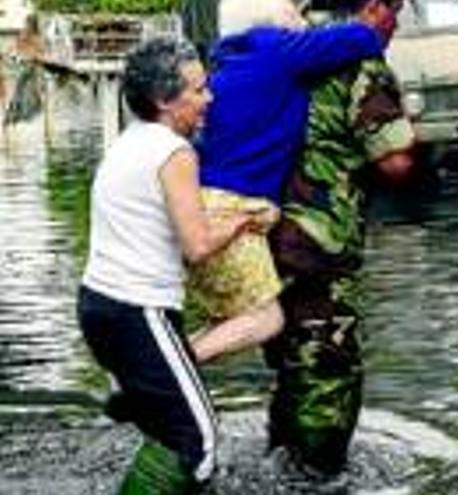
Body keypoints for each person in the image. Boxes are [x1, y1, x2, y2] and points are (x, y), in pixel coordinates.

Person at [77, 38, 269, 493]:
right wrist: (248, 220)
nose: (210, 99)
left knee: (169, 434)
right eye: (199, 90)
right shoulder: (174, 152)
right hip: (137, 313)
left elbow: (170, 225)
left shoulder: (131, 142)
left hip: (98, 307)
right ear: (165, 100)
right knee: (197, 441)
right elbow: (198, 245)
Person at [185, 0, 390, 365]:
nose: (305, 20)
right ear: (276, 22)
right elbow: (360, 38)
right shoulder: (275, 50)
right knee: (266, 319)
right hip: (234, 204)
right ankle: (164, 372)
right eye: (297, 12)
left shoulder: (228, 61)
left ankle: (156, 369)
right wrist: (373, 23)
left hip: (204, 201)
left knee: (231, 321)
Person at [265, 0, 414, 475]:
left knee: (291, 355)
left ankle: (280, 464)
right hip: (320, 240)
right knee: (329, 363)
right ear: (374, 7)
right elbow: (394, 160)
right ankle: (317, 475)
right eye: (398, 10)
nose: (397, 23)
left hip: (265, 233)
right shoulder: (362, 62)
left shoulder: (290, 47)